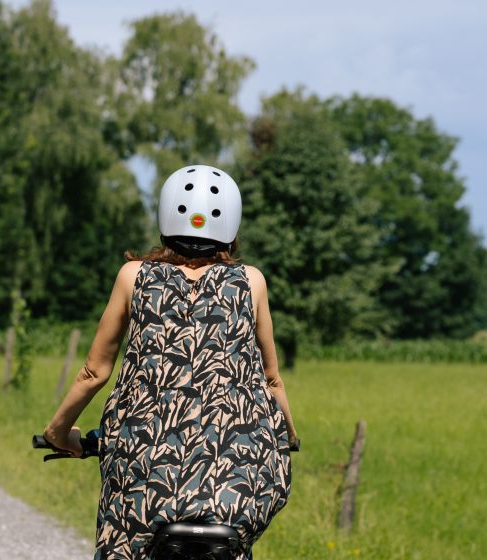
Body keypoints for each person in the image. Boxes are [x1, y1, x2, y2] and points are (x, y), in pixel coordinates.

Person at [43, 164, 298, 559]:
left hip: (144, 478)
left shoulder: (134, 277)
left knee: (124, 544)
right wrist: (288, 437)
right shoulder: (252, 281)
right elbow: (272, 381)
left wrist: (59, 433)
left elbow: (94, 372)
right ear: (231, 225)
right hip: (234, 485)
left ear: (165, 217)